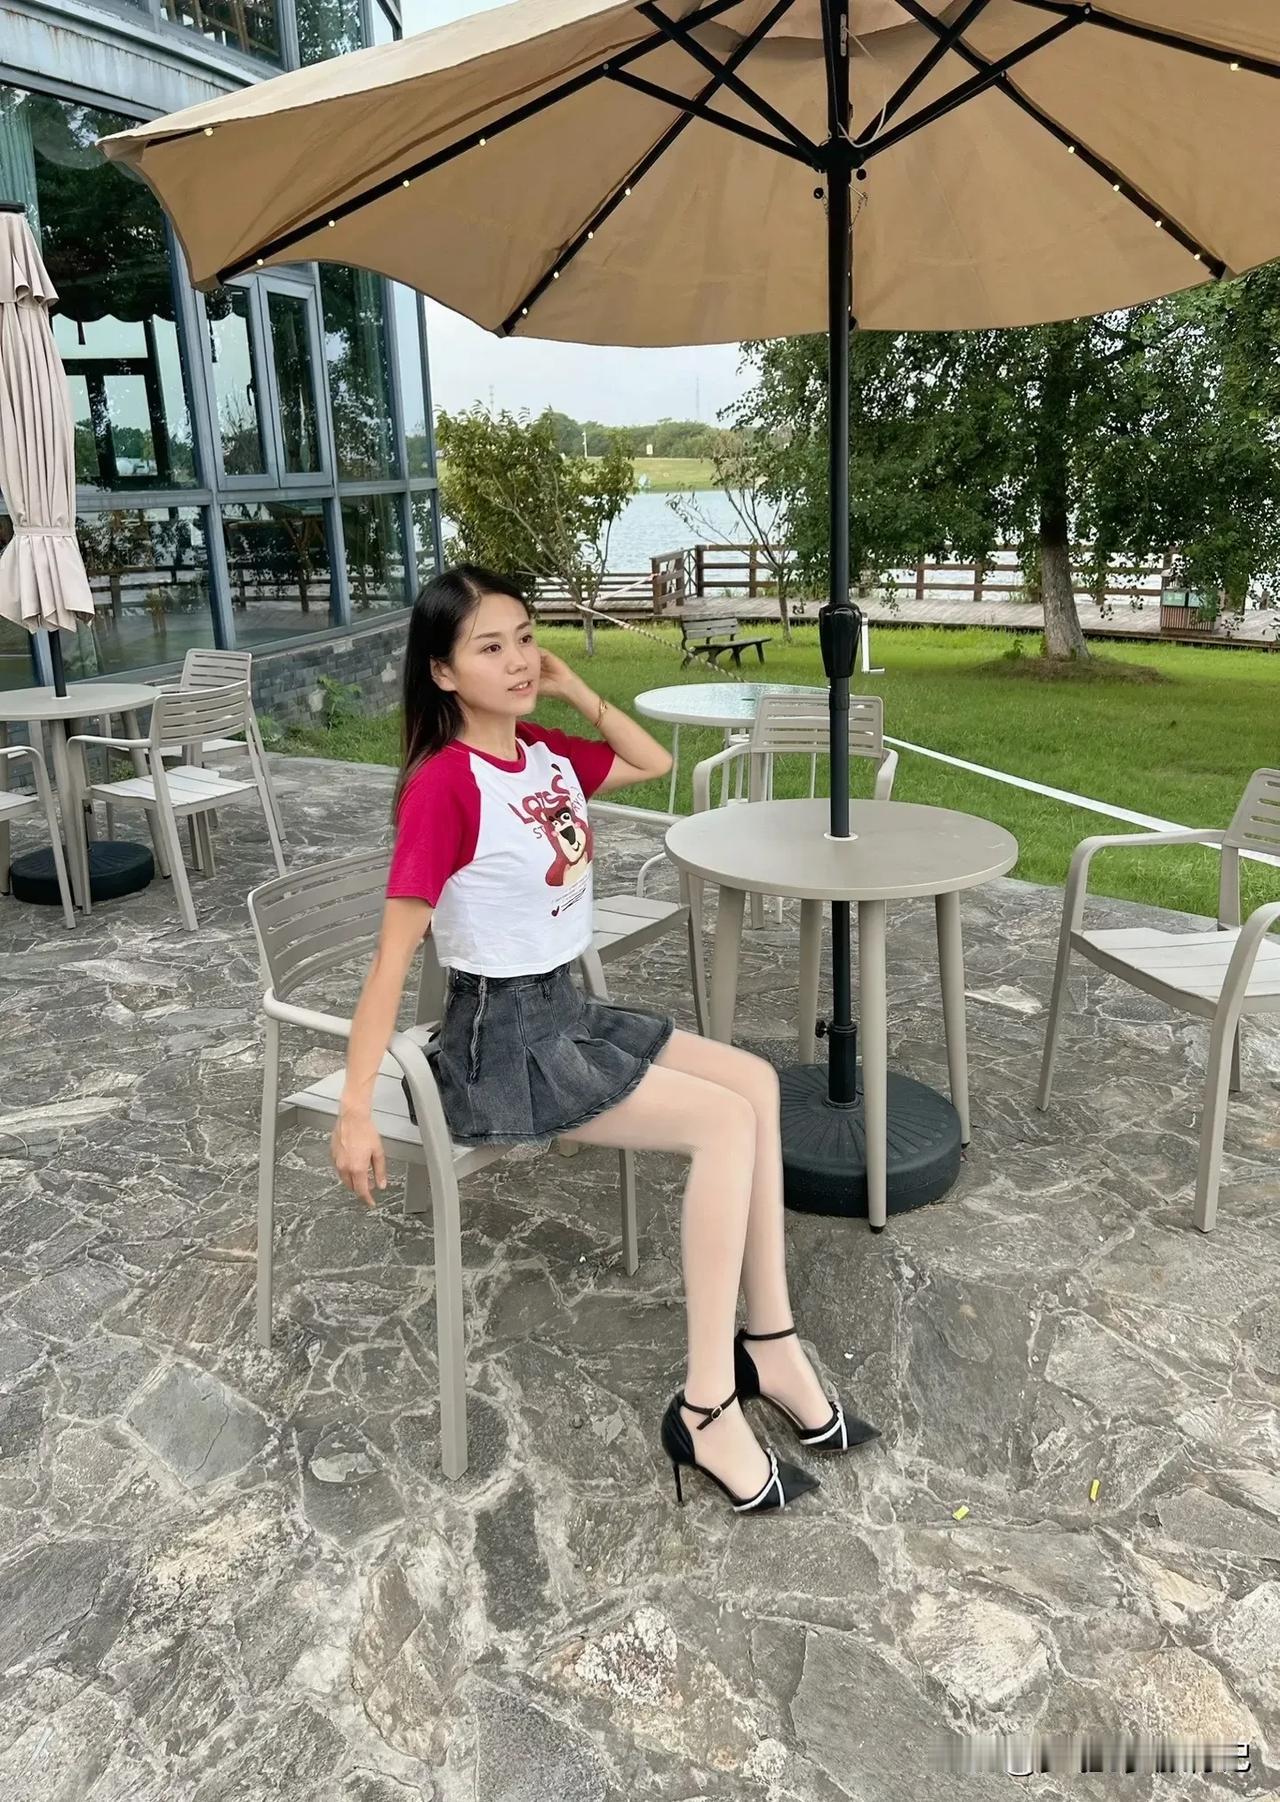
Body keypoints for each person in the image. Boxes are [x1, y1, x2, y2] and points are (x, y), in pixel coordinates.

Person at [330, 565, 878, 1516]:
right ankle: (707, 1407)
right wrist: (353, 1107)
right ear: (443, 672)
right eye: (489, 647)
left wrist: (575, 687)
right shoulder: (445, 788)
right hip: (504, 1044)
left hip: (569, 1012)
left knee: (752, 1083)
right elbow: (390, 961)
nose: (517, 660)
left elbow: (649, 762)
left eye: (524, 637)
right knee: (723, 1125)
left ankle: (772, 1343)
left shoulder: (539, 753)